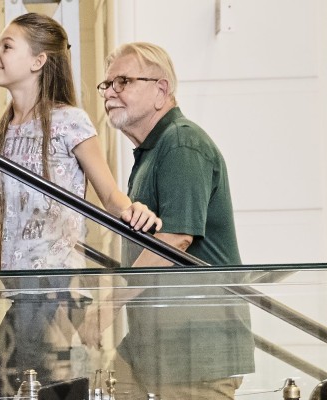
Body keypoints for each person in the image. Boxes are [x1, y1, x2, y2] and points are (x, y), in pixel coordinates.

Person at [0, 13, 160, 399]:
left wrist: (137, 212)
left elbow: (109, 195)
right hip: (23, 295)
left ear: (38, 61)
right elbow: (9, 222)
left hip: (55, 293)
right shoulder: (7, 129)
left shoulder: (70, 122)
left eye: (6, 46)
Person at [97, 42, 253, 400]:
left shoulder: (181, 141)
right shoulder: (152, 152)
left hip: (195, 348)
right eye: (107, 85)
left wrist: (108, 304)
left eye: (123, 81)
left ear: (161, 90)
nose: (110, 93)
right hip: (150, 345)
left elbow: (176, 240)